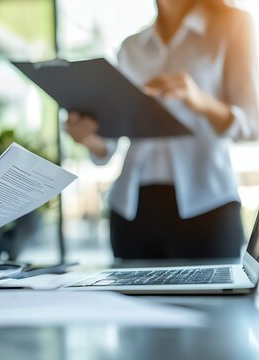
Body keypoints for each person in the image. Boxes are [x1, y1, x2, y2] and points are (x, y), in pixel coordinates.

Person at [65, 0, 259, 259]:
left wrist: (199, 100)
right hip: (133, 211)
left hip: (207, 206)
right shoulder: (132, 47)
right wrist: (88, 138)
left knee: (216, 299)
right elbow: (109, 145)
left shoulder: (232, 25)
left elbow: (253, 123)